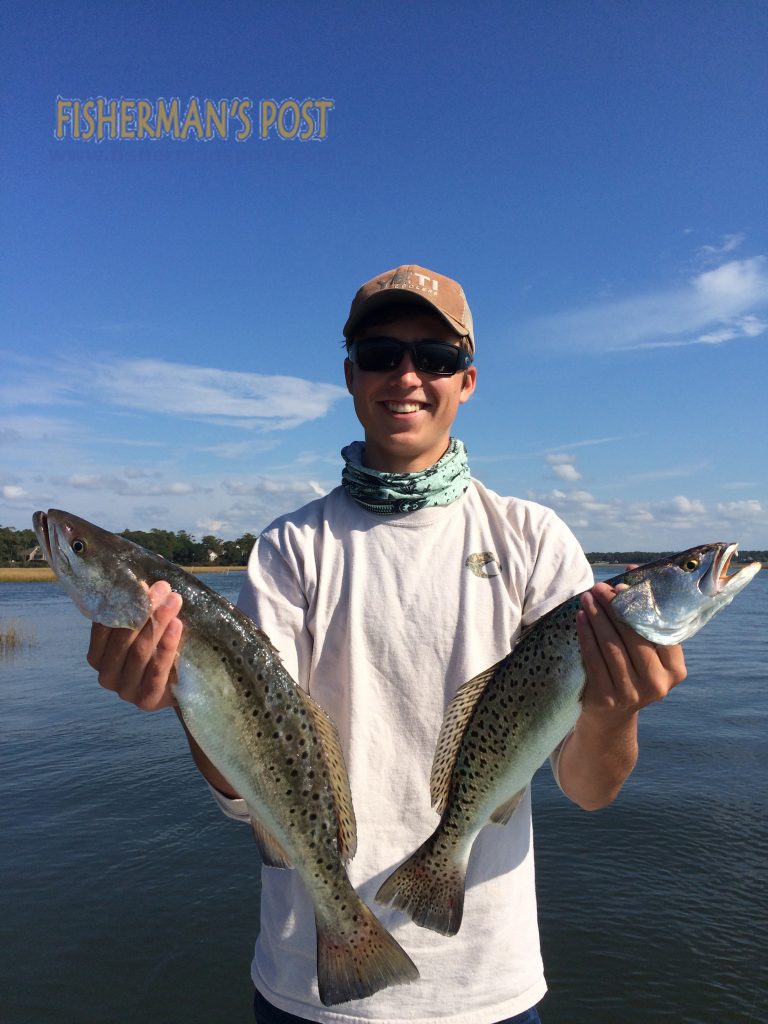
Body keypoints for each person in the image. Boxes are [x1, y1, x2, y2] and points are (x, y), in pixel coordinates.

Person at [87, 265, 687, 1024]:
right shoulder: (289, 548)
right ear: (349, 375)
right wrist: (186, 687)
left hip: (488, 988)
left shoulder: (535, 540)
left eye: (434, 358)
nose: (407, 376)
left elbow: (590, 790)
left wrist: (616, 707)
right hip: (307, 981)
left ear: (467, 381)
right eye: (380, 354)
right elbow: (247, 798)